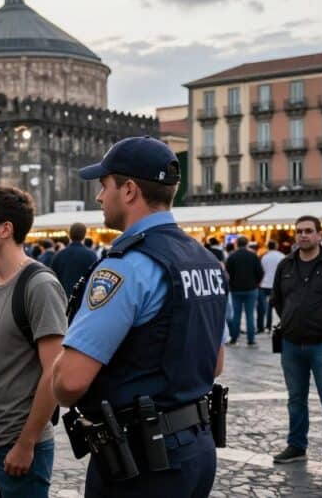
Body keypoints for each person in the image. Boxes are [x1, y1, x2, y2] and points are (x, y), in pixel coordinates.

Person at [51, 136, 227, 498]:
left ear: (129, 190)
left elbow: (69, 382)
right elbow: (215, 364)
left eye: (104, 185)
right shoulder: (204, 259)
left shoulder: (127, 268)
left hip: (142, 460)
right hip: (195, 447)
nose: (99, 197)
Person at [0, 186, 68, 498]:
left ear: (5, 229)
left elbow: (53, 373)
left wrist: (26, 443)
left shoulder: (40, 286)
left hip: (17, 444)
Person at [270, 215, 322, 473]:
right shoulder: (286, 264)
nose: (303, 235)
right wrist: (291, 320)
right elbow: (278, 299)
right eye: (299, 231)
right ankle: (296, 446)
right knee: (295, 399)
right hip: (292, 343)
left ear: (319, 234)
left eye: (308, 231)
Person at [225, 236, 263, 346]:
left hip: (236, 289)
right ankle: (251, 340)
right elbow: (259, 272)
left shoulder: (232, 257)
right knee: (250, 315)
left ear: (236, 243)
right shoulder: (253, 256)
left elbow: (227, 274)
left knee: (236, 315)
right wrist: (256, 282)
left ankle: (234, 338)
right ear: (247, 244)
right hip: (251, 289)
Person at [51, 222, 98, 298]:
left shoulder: (59, 255)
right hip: (82, 299)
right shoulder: (91, 255)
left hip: (63, 298)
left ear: (69, 235)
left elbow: (53, 279)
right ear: (84, 235)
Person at [258, 240, 284, 334]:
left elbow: (262, 270)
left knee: (265, 307)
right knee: (279, 305)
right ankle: (283, 322)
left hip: (265, 284)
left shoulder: (264, 257)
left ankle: (266, 326)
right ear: (276, 246)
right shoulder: (281, 256)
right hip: (277, 284)